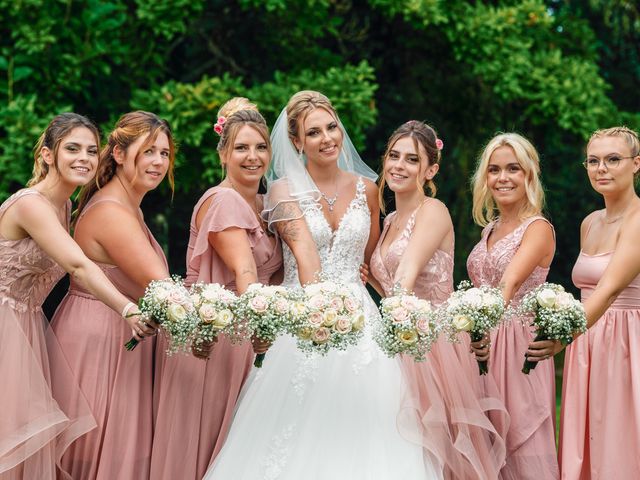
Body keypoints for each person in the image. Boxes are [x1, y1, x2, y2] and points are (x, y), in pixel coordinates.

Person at [204, 91, 440, 479]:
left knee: (371, 428)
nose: (328, 138)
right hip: (301, 317)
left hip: (363, 323)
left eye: (332, 127)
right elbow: (302, 250)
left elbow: (369, 258)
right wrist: (321, 312)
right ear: (297, 142)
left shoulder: (368, 189)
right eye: (314, 132)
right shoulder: (282, 190)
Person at [0, 113, 147, 479]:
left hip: (27, 325)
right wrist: (127, 309)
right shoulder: (31, 204)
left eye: (92, 150)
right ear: (48, 155)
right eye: (72, 149)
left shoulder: (65, 206)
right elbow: (78, 266)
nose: (84, 157)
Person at [150, 98, 282, 480]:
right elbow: (244, 270)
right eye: (241, 147)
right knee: (208, 447)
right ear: (223, 153)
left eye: (260, 147)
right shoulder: (223, 200)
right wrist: (263, 329)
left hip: (245, 337)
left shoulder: (266, 203)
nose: (252, 156)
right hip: (216, 338)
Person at [369, 120, 507, 479]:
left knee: (432, 444)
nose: (399, 165)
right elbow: (390, 288)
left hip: (431, 345)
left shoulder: (433, 211)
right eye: (394, 156)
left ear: (430, 169)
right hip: (399, 333)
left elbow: (406, 275)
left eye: (411, 160)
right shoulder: (390, 220)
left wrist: (385, 330)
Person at [49, 111, 174, 480]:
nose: (158, 162)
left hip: (120, 336)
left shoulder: (129, 206)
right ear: (118, 154)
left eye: (164, 154)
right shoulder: (111, 212)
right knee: (95, 454)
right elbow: (162, 287)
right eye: (149, 151)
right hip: (98, 341)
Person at [529, 126, 640, 478]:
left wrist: (564, 337)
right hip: (588, 341)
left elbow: (608, 291)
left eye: (613, 160)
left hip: (627, 342)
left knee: (621, 438)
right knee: (588, 440)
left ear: (636, 164)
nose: (601, 168)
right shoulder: (590, 223)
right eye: (593, 161)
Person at [466, 133, 558, 479]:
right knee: (487, 442)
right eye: (494, 170)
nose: (502, 178)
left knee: (521, 439)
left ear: (529, 175)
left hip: (518, 347)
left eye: (513, 169)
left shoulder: (537, 228)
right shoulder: (488, 230)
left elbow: (509, 284)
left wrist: (479, 320)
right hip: (481, 345)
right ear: (485, 178)